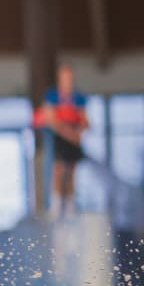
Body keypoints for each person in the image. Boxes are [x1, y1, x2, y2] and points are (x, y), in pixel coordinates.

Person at [36, 63, 89, 216]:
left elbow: (84, 119)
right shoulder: (52, 96)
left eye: (70, 78)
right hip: (60, 136)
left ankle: (70, 205)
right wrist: (68, 133)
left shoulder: (78, 97)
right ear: (60, 79)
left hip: (73, 134)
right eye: (65, 78)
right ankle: (56, 206)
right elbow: (50, 119)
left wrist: (78, 132)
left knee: (72, 170)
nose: (68, 81)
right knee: (58, 169)